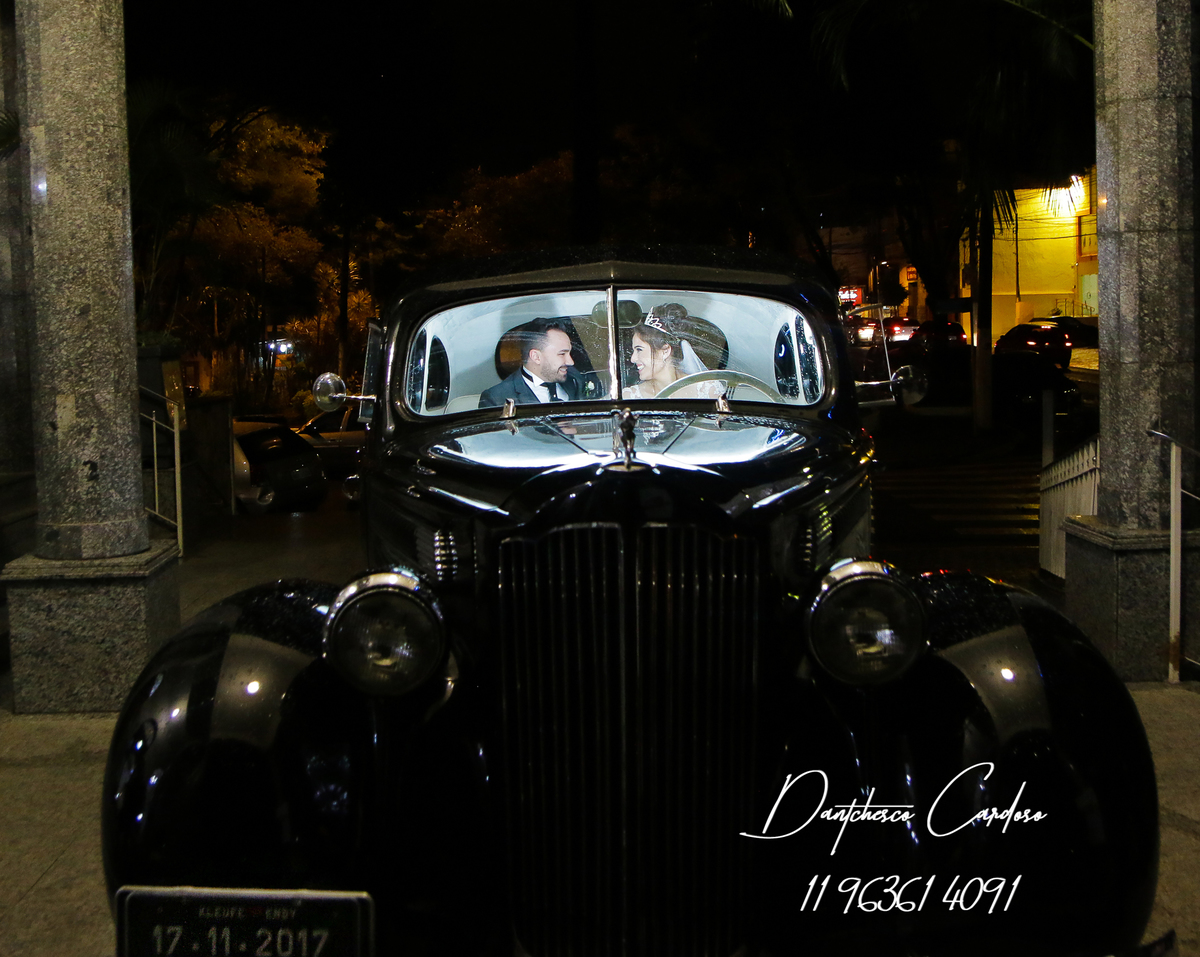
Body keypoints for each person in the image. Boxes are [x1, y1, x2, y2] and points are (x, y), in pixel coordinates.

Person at [478, 318, 590, 407]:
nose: (570, 362)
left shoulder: (576, 379)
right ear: (536, 357)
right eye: (562, 354)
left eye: (569, 353)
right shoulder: (496, 398)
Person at [625, 303, 723, 399]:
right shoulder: (629, 396)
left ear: (665, 351)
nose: (633, 359)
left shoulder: (709, 390)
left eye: (639, 350)